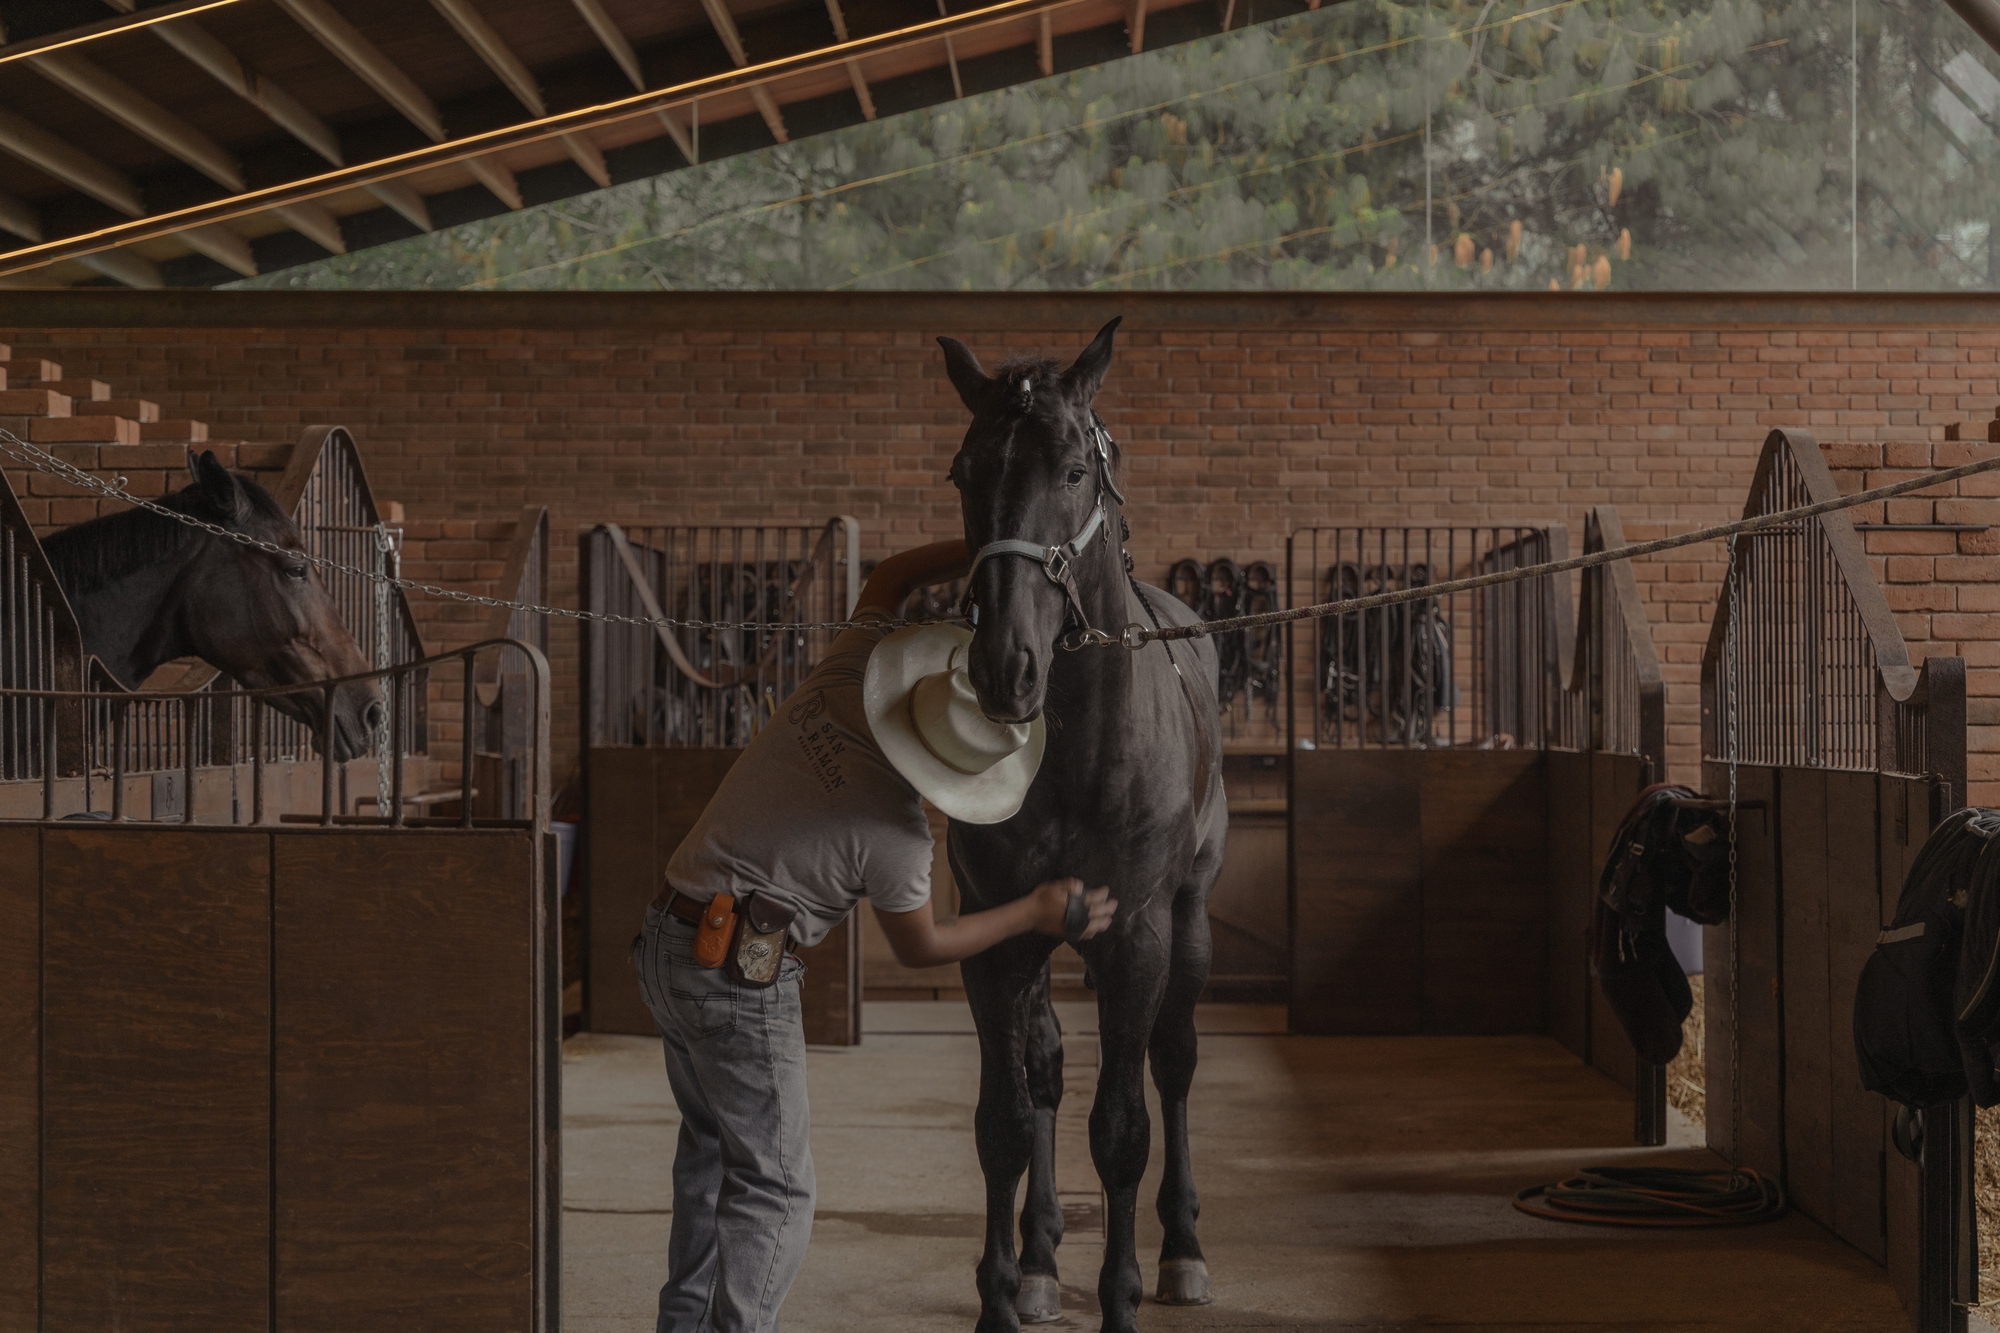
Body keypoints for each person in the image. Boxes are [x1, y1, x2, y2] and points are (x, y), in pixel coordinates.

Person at [630, 538, 1117, 1333]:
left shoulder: (846, 670)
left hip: (666, 940)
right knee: (778, 1188)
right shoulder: (896, 833)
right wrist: (1034, 912)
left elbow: (888, 574)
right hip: (740, 980)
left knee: (708, 1158)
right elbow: (922, 946)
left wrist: (989, 544)